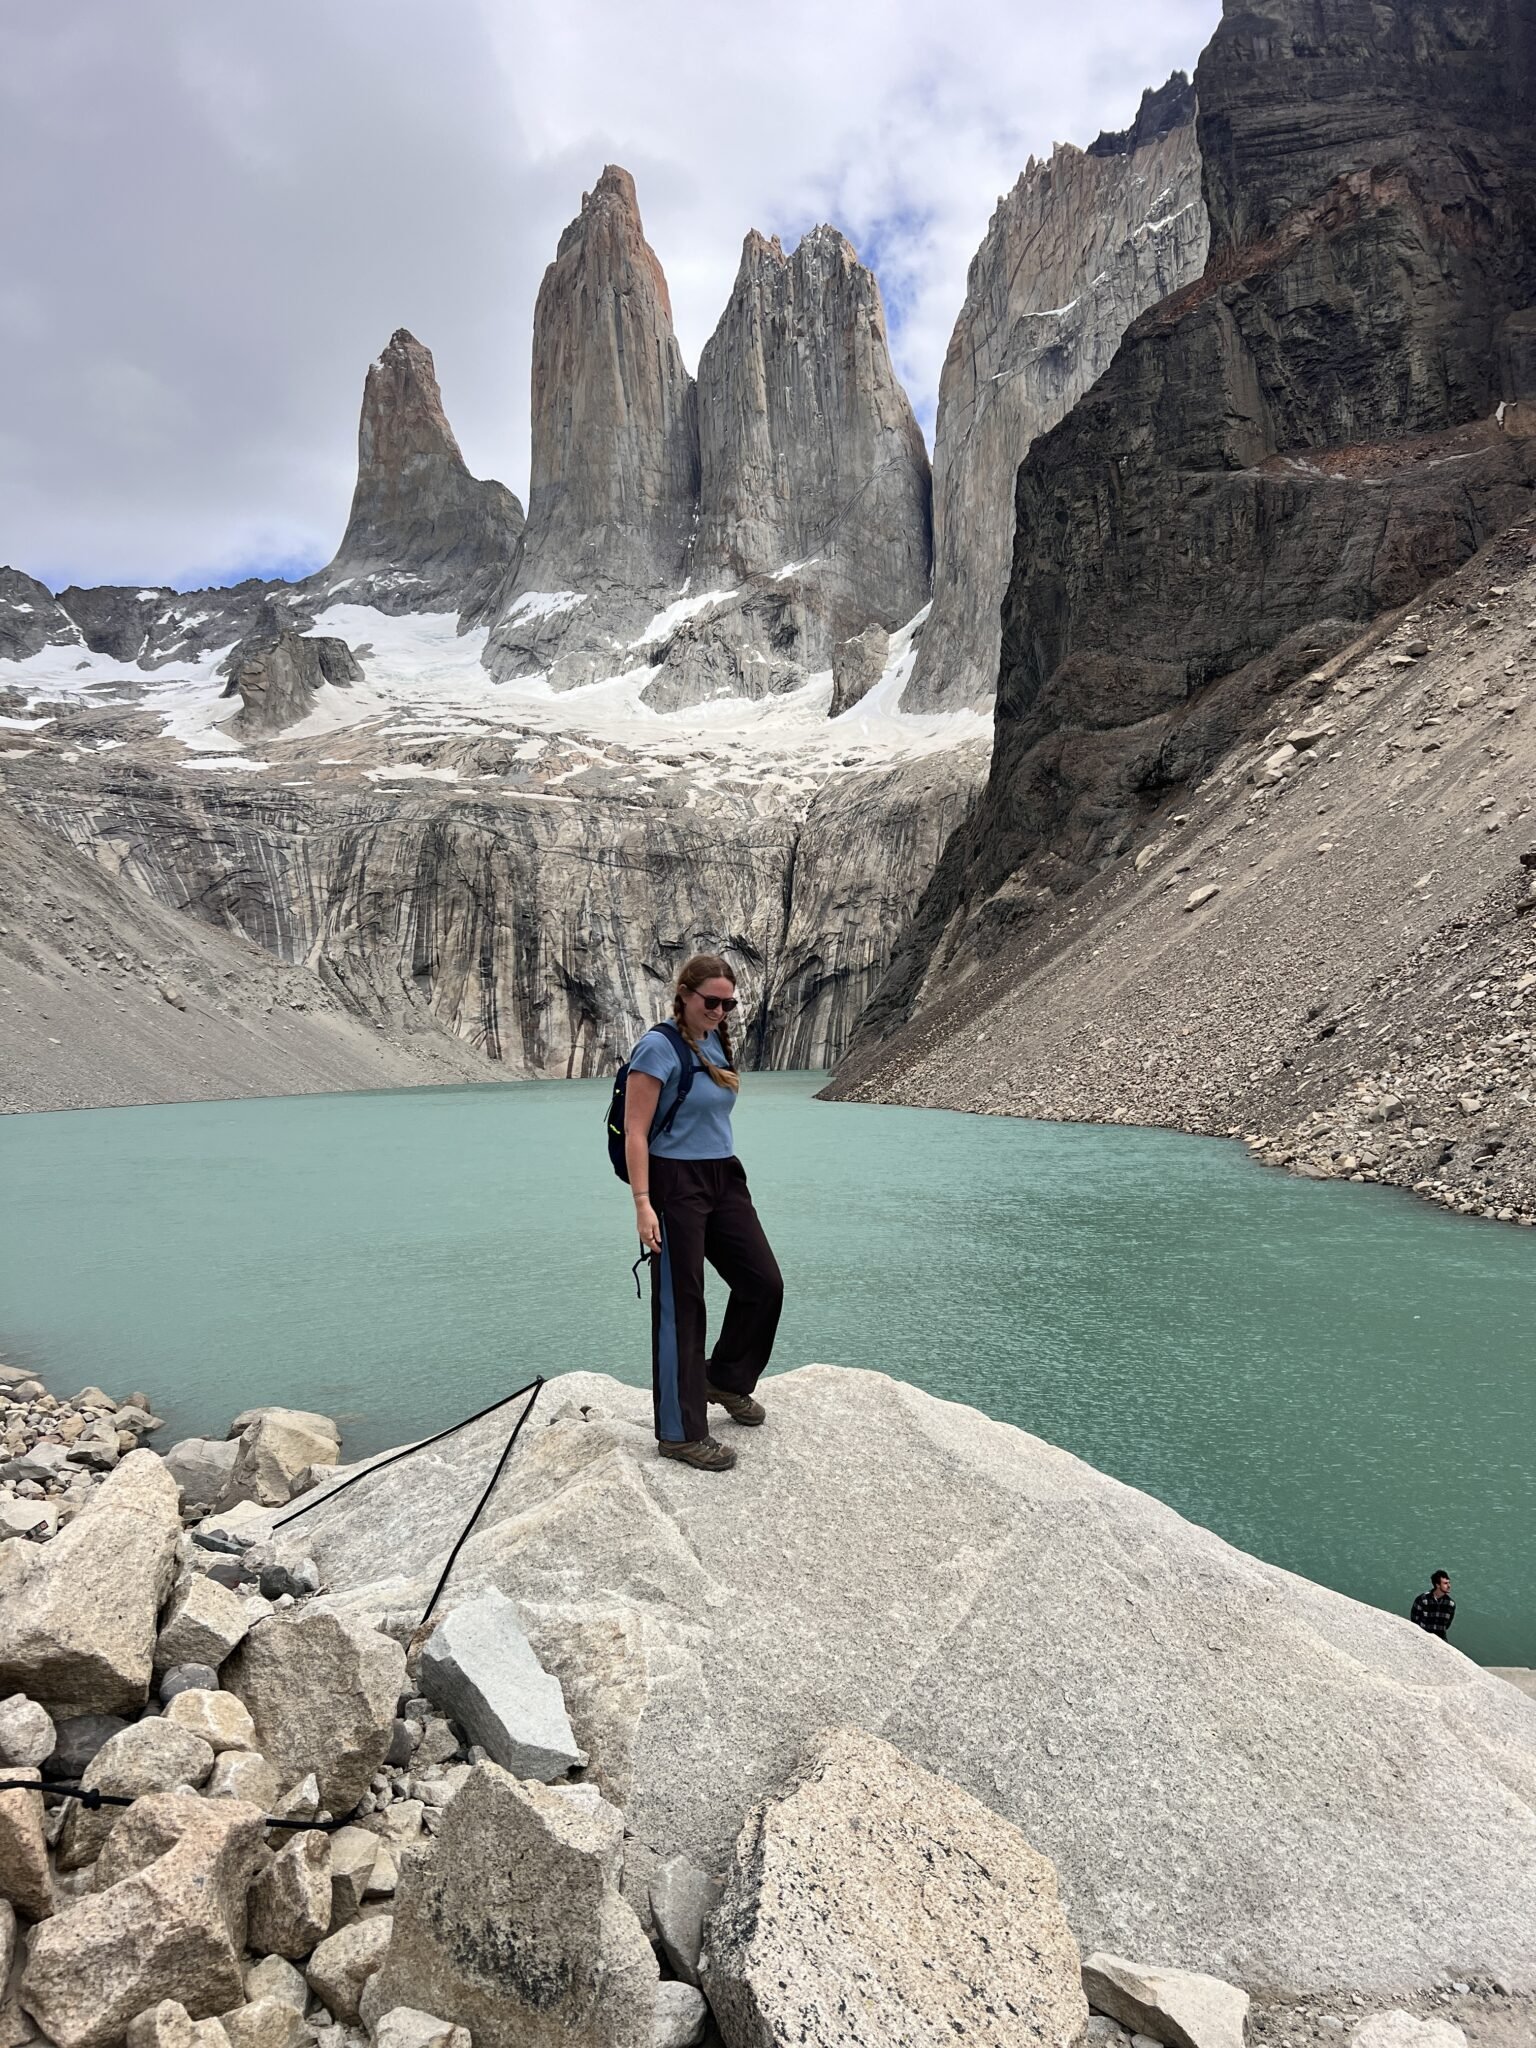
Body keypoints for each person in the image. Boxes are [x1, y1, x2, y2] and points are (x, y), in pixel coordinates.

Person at [623, 953, 783, 1471]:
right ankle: (679, 1432)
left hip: (723, 1176)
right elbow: (636, 1132)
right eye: (711, 1001)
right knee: (682, 1303)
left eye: (728, 1003)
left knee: (763, 1283)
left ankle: (726, 1379)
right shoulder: (656, 1047)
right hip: (674, 1184)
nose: (720, 1010)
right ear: (685, 994)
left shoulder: (715, 1040)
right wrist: (643, 1204)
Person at [1409, 1570, 1455, 1639]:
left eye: (1449, 1583)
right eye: (1445, 1583)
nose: (1449, 1586)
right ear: (1437, 1585)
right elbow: (1414, 1620)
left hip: (1440, 1639)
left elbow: (1447, 1625)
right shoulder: (1423, 1600)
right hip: (1422, 1636)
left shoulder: (1450, 1604)